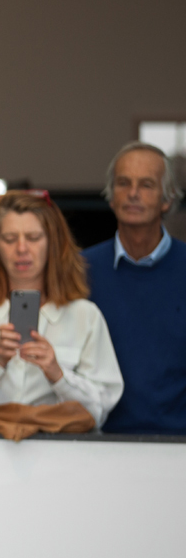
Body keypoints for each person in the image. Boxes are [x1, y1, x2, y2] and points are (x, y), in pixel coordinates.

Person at [0, 190, 123, 429]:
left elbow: (100, 410)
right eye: (9, 238)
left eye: (34, 237)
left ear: (53, 244)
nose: (21, 248)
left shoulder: (85, 316)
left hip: (62, 458)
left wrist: (57, 374)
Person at [82, 143, 186, 433]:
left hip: (179, 448)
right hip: (97, 446)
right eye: (123, 183)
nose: (133, 193)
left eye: (147, 185)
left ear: (167, 200)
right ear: (111, 197)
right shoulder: (79, 271)